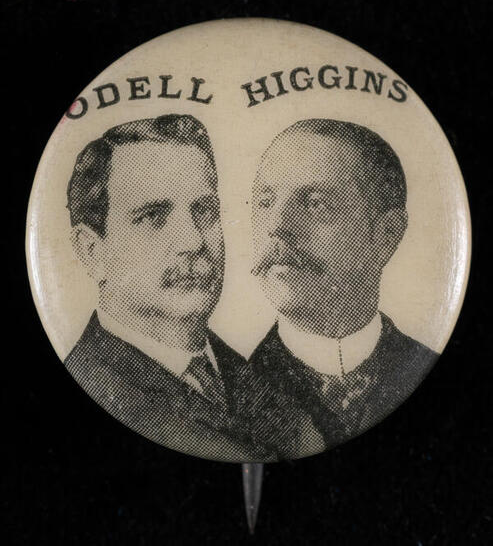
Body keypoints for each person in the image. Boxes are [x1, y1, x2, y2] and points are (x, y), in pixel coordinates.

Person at [64, 114, 265, 461]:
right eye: (153, 216)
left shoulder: (261, 382)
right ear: (93, 252)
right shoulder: (90, 383)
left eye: (204, 211)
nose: (192, 241)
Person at [249, 118, 438, 458]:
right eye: (266, 202)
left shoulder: (422, 368)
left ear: (386, 235)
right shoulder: (229, 398)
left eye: (316, 204)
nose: (277, 225)